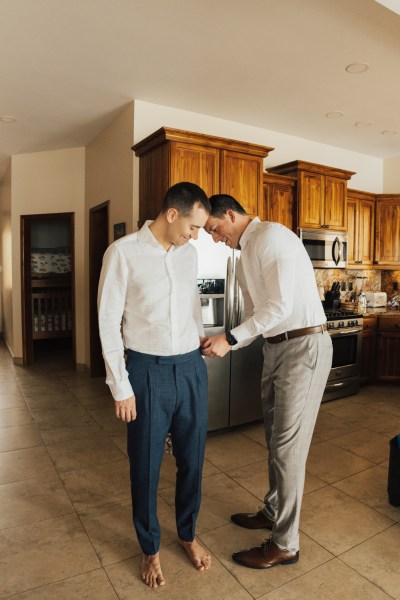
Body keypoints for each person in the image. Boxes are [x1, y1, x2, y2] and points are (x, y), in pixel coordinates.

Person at [202, 194, 332, 569]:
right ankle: (273, 510)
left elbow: (280, 308)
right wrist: (223, 339)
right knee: (274, 438)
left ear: (230, 214)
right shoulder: (245, 254)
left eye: (215, 229)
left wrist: (229, 339)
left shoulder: (271, 236)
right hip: (276, 348)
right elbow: (257, 314)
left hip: (303, 346)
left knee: (288, 447)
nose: (214, 238)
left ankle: (286, 544)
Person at [98, 182, 212, 588]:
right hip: (146, 371)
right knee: (146, 466)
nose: (196, 235)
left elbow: (192, 304)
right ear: (172, 214)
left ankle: (186, 534)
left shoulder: (190, 254)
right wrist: (121, 386)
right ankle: (150, 548)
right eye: (193, 226)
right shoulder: (123, 253)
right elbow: (108, 322)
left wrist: (200, 343)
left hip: (191, 367)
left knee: (193, 461)